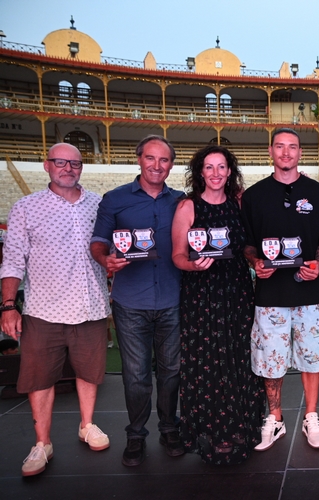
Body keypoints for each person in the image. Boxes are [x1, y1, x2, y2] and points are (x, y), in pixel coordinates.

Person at [0, 143, 111, 476]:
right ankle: (42, 442)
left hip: (91, 306)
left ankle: (87, 424)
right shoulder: (26, 207)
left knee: (89, 372)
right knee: (40, 378)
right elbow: (13, 259)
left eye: (75, 163)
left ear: (81, 168)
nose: (68, 168)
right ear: (47, 165)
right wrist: (8, 305)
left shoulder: (99, 204)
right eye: (60, 162)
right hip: (43, 310)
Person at [90, 135, 185, 466]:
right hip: (131, 301)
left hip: (173, 298)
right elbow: (98, 242)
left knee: (171, 372)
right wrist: (106, 260)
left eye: (164, 160)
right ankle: (135, 435)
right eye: (150, 158)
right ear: (139, 159)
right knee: (135, 374)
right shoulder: (115, 199)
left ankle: (170, 428)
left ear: (171, 165)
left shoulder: (182, 201)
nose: (157, 165)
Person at [170, 145, 266, 464]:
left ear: (229, 171)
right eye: (209, 167)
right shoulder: (188, 206)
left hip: (237, 293)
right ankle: (211, 433)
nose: (215, 173)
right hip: (202, 295)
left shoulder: (240, 203)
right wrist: (192, 265)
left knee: (239, 360)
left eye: (221, 167)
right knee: (207, 363)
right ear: (200, 171)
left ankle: (240, 428)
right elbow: (177, 255)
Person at [241, 128, 319, 450]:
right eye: (279, 146)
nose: (285, 152)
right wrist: (255, 262)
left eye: (292, 147)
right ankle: (275, 418)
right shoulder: (254, 195)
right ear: (271, 151)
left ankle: (311, 416)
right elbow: (248, 244)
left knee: (312, 357)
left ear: (300, 152)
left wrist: (318, 264)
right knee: (271, 360)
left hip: (309, 293)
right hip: (270, 294)